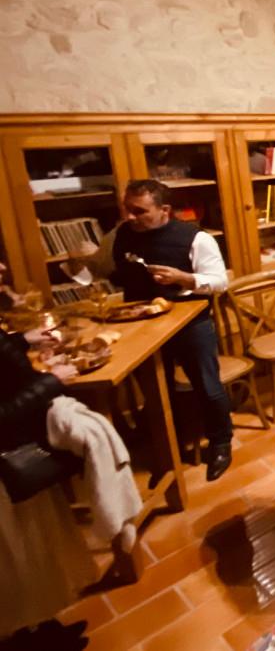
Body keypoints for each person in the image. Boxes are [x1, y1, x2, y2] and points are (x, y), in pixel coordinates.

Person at [68, 179, 234, 481]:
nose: (130, 217)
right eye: (127, 210)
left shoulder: (196, 238)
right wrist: (78, 262)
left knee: (208, 386)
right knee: (157, 392)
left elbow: (220, 281)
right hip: (140, 323)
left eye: (139, 211)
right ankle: (167, 450)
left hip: (189, 321)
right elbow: (96, 272)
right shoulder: (118, 236)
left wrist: (185, 278)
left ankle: (221, 442)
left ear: (165, 210)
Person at [0, 319, 95, 651]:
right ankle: (27, 637)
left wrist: (20, 339)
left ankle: (41, 628)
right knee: (16, 556)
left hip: (13, 449)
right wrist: (50, 382)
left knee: (33, 546)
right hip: (6, 463)